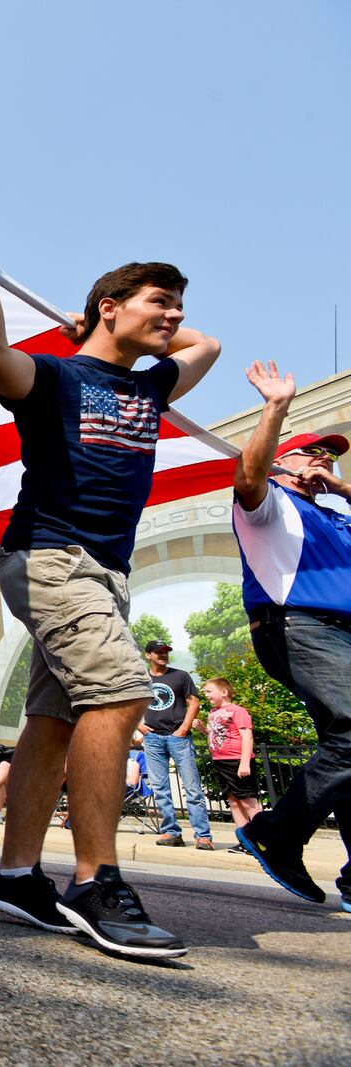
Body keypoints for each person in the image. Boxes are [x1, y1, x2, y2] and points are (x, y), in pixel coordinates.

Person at [0, 231, 220, 959]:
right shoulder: (56, 379)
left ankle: (16, 873)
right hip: (48, 557)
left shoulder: (150, 386)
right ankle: (97, 880)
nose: (173, 317)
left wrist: (128, 321)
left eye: (176, 306)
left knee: (55, 718)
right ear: (110, 305)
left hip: (105, 573)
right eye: (159, 302)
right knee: (123, 692)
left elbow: (208, 345)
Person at [228, 361, 350, 911]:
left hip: (340, 632)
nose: (324, 459)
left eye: (333, 454)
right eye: (312, 451)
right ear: (282, 458)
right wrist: (274, 409)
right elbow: (250, 478)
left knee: (345, 745)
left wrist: (340, 486)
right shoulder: (271, 505)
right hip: (298, 623)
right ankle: (275, 833)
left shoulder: (336, 512)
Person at [134, 640, 213, 849]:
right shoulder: (141, 679)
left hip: (178, 737)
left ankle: (203, 836)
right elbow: (128, 702)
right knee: (160, 788)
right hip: (152, 739)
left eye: (166, 651)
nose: (163, 655)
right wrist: (139, 727)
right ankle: (171, 833)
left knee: (192, 787)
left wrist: (184, 729)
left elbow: (194, 701)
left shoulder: (180, 676)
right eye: (158, 652)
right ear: (148, 655)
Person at [194, 678, 260, 843]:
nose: (206, 695)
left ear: (224, 692)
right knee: (233, 801)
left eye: (209, 692)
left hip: (236, 761)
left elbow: (247, 736)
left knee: (248, 801)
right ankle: (246, 841)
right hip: (220, 761)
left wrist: (244, 762)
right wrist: (203, 729)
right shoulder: (213, 712)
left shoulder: (238, 711)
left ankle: (266, 839)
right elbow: (217, 735)